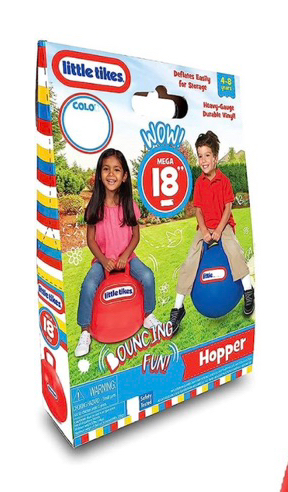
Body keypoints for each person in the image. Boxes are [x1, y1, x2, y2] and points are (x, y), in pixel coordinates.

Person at [75, 149, 159, 357]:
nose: (111, 174)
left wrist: (125, 256)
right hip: (102, 261)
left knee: (147, 276)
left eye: (116, 170)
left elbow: (135, 236)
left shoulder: (129, 204)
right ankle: (85, 331)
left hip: (128, 258)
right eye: (106, 169)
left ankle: (148, 315)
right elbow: (91, 240)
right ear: (99, 174)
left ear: (124, 176)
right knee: (88, 285)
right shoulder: (94, 206)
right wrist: (103, 261)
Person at [169, 131, 254, 335]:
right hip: (205, 228)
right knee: (190, 260)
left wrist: (219, 230)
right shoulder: (199, 183)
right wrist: (205, 231)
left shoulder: (224, 181)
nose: (203, 160)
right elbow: (198, 211)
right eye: (200, 156)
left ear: (215, 158)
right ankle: (178, 308)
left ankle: (248, 290)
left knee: (234, 250)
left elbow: (227, 208)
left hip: (223, 225)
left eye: (207, 155)